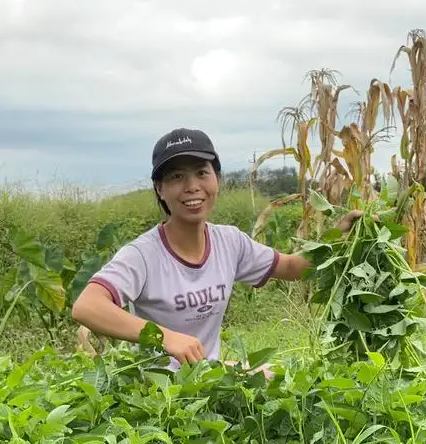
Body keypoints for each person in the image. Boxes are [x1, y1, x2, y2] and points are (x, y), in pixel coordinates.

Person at [72, 128, 360, 369]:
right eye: (176, 177)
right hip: (163, 394)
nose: (192, 186)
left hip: (209, 378)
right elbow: (87, 306)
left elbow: (292, 267)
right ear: (159, 189)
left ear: (217, 180)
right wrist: (166, 338)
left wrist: (339, 235)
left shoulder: (229, 242)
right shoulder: (143, 254)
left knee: (276, 375)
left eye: (201, 173)